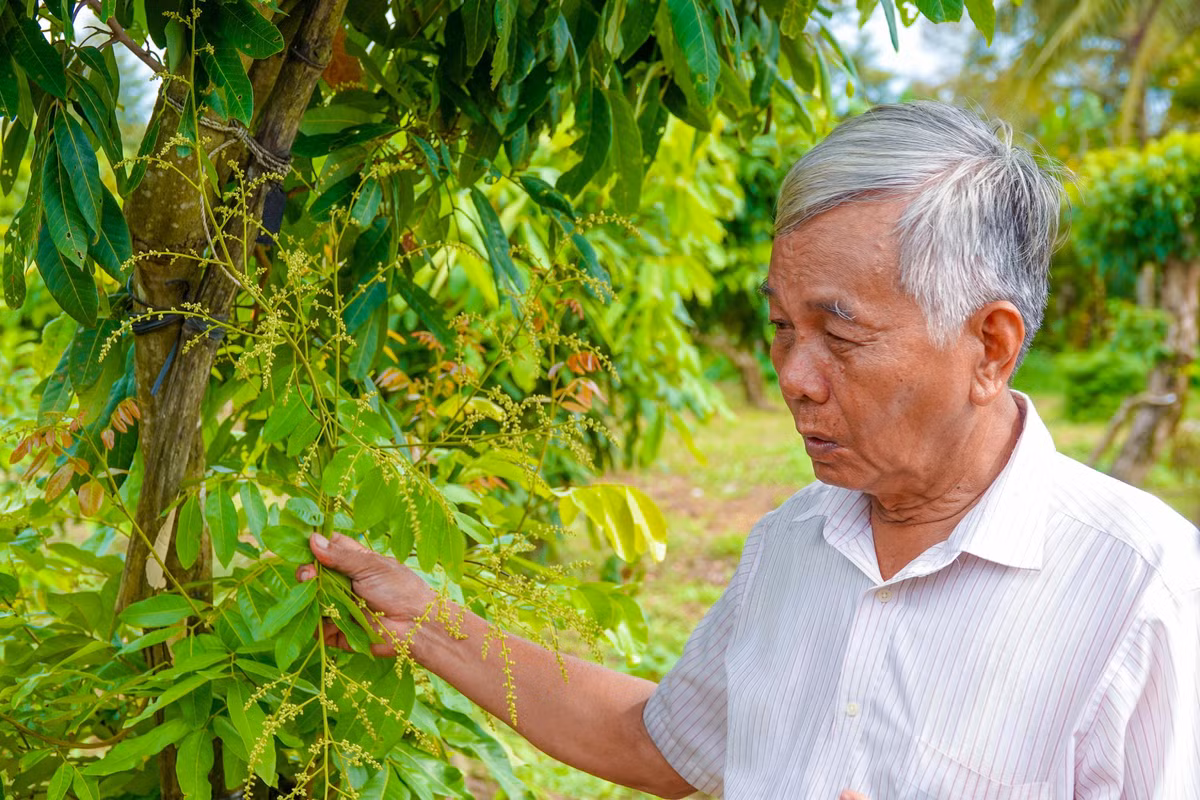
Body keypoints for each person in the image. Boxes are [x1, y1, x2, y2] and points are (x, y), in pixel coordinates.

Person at [298, 102, 1200, 799]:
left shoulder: (1140, 590)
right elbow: (658, 741)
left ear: (991, 349)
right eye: (779, 327)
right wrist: (424, 619)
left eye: (840, 338)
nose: (796, 377)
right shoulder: (795, 544)